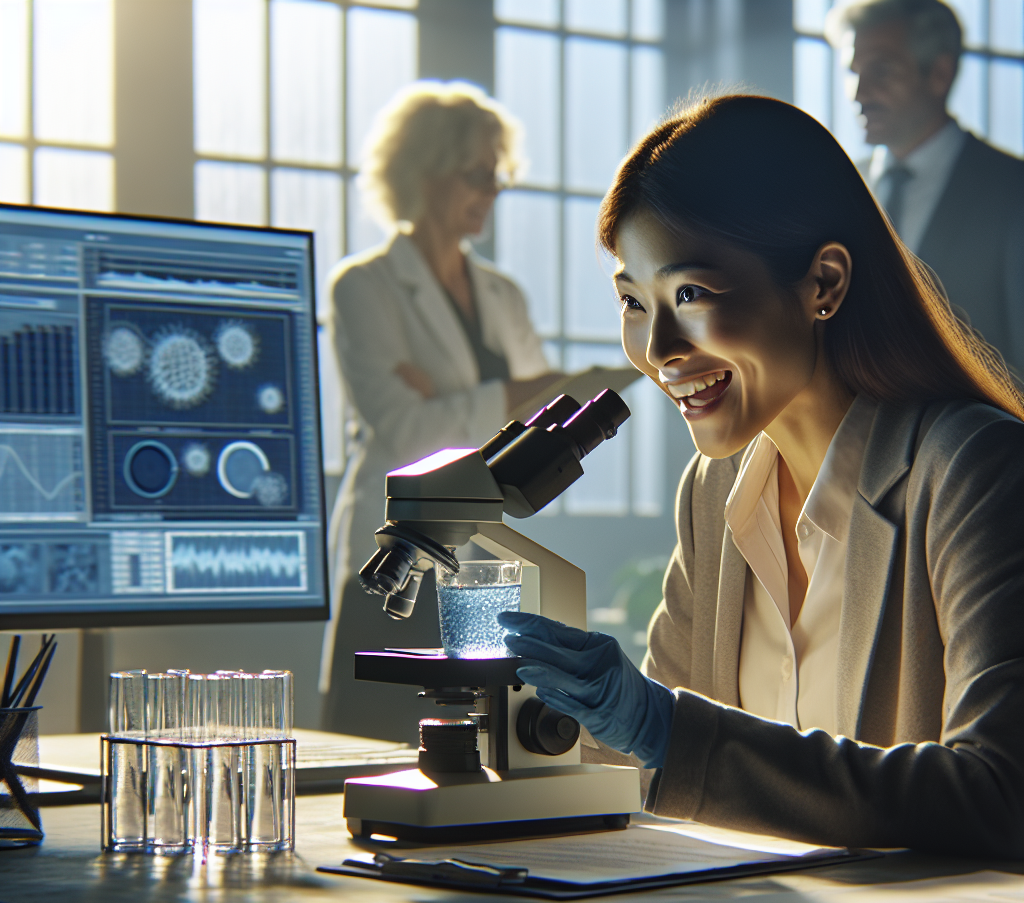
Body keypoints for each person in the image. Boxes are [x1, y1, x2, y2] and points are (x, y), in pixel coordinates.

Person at [500, 94, 1024, 859]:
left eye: (691, 294)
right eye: (634, 303)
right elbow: (658, 776)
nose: (660, 349)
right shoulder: (715, 494)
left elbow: (1000, 794)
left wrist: (665, 730)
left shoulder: (975, 469)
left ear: (823, 285)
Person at [320, 81, 561, 740]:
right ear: (422, 173)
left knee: (480, 741)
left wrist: (450, 401)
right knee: (369, 736)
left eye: (499, 175)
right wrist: (507, 397)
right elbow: (405, 432)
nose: (493, 191)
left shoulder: (502, 294)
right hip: (395, 545)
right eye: (477, 174)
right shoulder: (364, 286)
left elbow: (537, 430)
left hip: (485, 551)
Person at [825, 0, 1024, 371]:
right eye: (853, 72)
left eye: (880, 70)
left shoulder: (1013, 191)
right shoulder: (837, 187)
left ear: (939, 72)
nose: (858, 94)